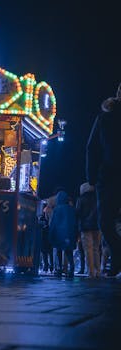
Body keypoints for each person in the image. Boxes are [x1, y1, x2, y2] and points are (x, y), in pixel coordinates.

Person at [86, 83, 121, 277]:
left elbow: (92, 148)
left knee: (106, 222)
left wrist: (92, 176)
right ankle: (117, 256)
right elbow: (93, 148)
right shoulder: (105, 118)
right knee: (105, 223)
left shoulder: (104, 118)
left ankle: (116, 258)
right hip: (108, 175)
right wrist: (92, 175)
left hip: (107, 176)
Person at [49, 191, 77, 278]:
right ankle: (71, 269)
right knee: (69, 252)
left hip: (59, 233)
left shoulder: (57, 209)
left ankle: (59, 269)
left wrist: (51, 234)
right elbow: (75, 222)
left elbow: (53, 223)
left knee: (58, 251)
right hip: (69, 233)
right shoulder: (71, 209)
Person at [76, 182, 101, 278]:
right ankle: (98, 271)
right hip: (97, 226)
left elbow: (77, 213)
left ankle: (90, 272)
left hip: (85, 227)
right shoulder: (97, 198)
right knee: (96, 249)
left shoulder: (81, 199)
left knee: (88, 249)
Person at [39, 205, 53, 273]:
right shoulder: (50, 217)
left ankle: (47, 266)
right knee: (49, 252)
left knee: (46, 252)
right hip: (48, 236)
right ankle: (49, 266)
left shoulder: (42, 218)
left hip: (45, 236)